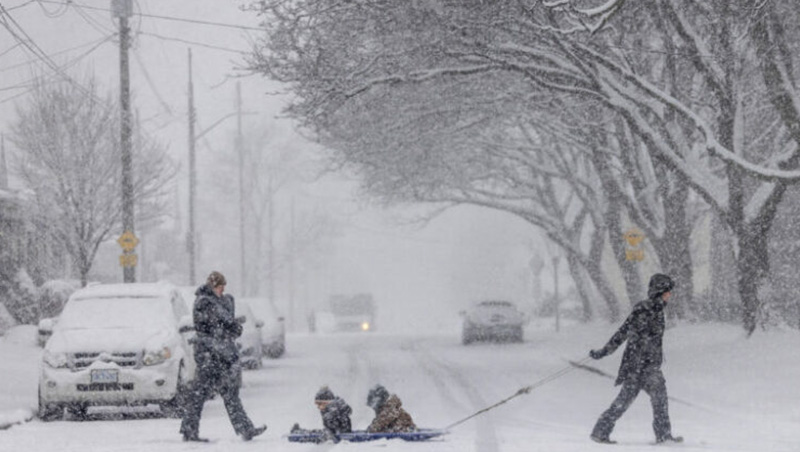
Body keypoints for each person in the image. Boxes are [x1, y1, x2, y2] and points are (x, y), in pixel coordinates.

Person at [588, 273, 682, 445]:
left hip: (643, 365)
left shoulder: (657, 310)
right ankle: (663, 436)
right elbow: (624, 332)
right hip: (640, 365)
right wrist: (604, 351)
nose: (670, 295)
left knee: (629, 400)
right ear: (659, 291)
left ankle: (600, 431)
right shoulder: (645, 309)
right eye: (667, 292)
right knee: (652, 397)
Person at [179, 271, 267, 442]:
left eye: (223, 287)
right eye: (220, 287)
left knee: (229, 393)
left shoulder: (219, 301)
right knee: (199, 393)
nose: (222, 290)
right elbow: (221, 323)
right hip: (208, 356)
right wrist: (230, 325)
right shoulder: (204, 302)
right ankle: (189, 431)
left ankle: (245, 429)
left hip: (221, 355)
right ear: (212, 286)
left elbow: (228, 325)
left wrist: (231, 325)